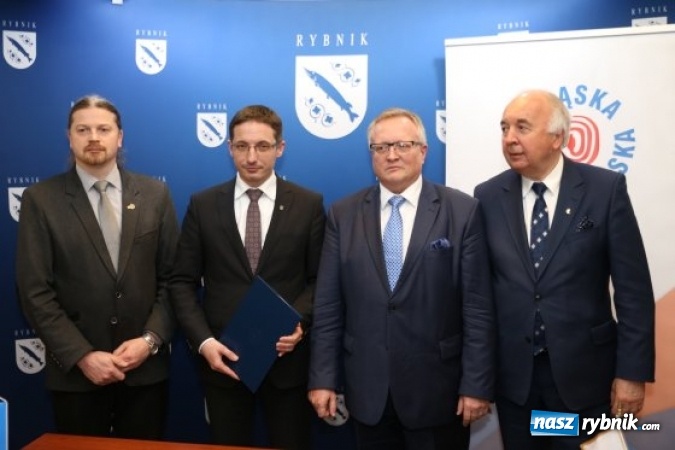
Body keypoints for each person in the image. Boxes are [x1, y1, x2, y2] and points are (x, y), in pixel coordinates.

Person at [474, 89, 655, 450]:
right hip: (517, 386)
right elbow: (479, 295)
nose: (509, 138)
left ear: (557, 137)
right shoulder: (488, 196)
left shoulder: (604, 190)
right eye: (504, 128)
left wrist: (631, 374)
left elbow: (633, 292)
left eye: (522, 127)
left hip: (584, 381)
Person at [308, 108, 495, 450]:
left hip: (439, 392)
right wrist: (323, 378)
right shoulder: (343, 214)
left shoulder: (462, 211)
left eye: (402, 145)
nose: (391, 155)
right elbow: (329, 305)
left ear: (423, 151)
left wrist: (477, 384)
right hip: (368, 392)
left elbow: (478, 308)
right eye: (380, 147)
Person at [16, 95, 179, 439]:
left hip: (145, 372)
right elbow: (34, 291)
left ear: (119, 137)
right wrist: (83, 356)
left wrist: (149, 340)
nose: (93, 137)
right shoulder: (40, 200)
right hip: (76, 376)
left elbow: (173, 280)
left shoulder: (155, 195)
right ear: (69, 137)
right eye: (83, 130)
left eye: (103, 129)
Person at [169, 105, 325, 450]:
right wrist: (204, 342)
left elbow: (320, 280)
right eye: (242, 146)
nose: (251, 157)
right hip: (223, 362)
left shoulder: (308, 204)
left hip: (287, 365)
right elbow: (181, 282)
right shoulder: (204, 204)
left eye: (263, 146)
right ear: (230, 148)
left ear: (280, 148)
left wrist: (300, 323)